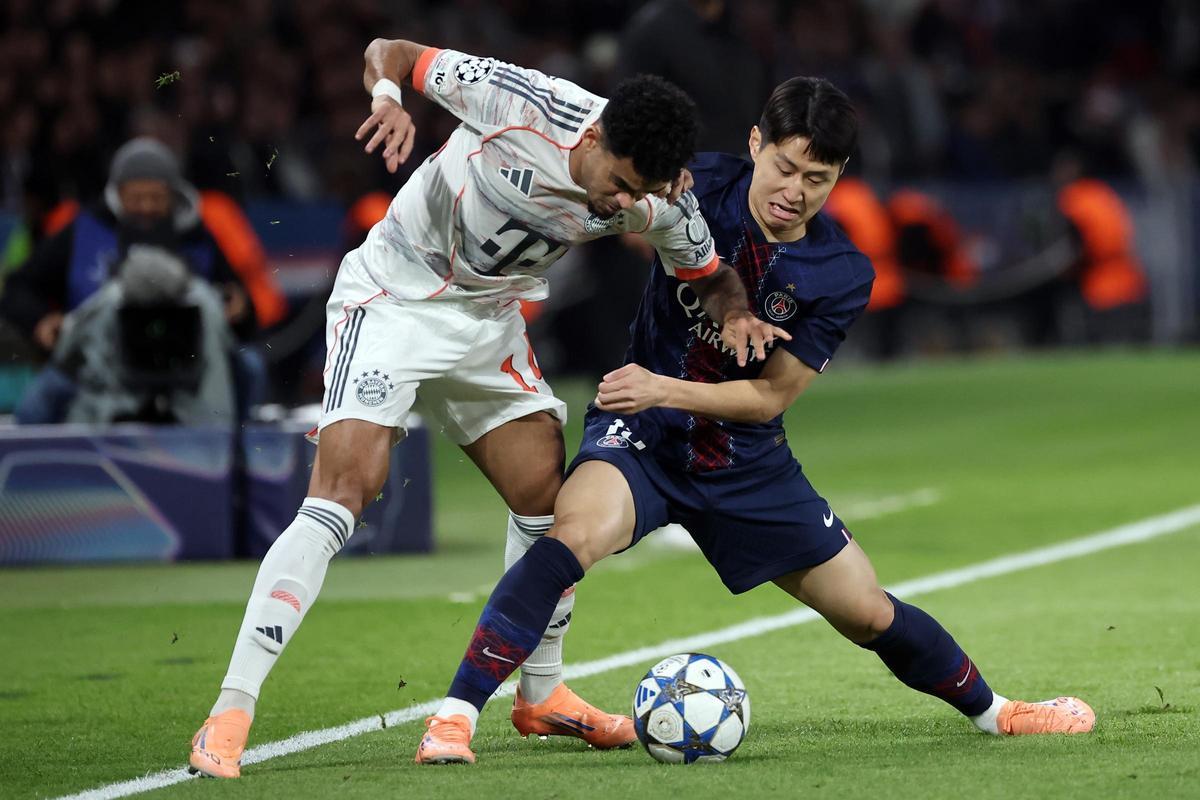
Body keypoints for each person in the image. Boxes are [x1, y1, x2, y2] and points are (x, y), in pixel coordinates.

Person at [418, 77, 1096, 765]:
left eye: (817, 178)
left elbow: (770, 398)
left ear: (840, 177)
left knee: (867, 610)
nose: (795, 191)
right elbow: (607, 198)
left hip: (742, 459)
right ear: (754, 145)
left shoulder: (839, 271)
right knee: (572, 536)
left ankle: (998, 712)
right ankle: (455, 718)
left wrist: (664, 388)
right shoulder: (696, 185)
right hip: (642, 439)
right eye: (785, 167)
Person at [188, 39, 784, 778]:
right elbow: (389, 51)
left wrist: (734, 312)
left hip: (487, 322)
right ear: (594, 138)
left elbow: (710, 273)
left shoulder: (659, 196)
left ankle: (541, 693)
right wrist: (386, 98)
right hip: (393, 296)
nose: (626, 205)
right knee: (347, 488)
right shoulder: (520, 102)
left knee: (546, 495)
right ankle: (231, 710)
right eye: (622, 185)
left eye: (643, 194)